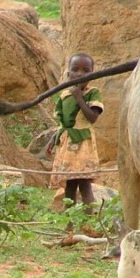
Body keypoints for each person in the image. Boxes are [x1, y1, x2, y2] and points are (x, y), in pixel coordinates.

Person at [46, 53, 104, 216]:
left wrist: (79, 98)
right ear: (68, 74)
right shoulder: (64, 96)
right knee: (70, 186)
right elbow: (62, 123)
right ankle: (69, 226)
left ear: (93, 73)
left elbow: (92, 118)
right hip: (67, 146)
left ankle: (89, 223)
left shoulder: (93, 93)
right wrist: (53, 139)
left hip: (83, 146)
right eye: (75, 69)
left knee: (85, 185)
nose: (80, 74)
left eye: (86, 70)